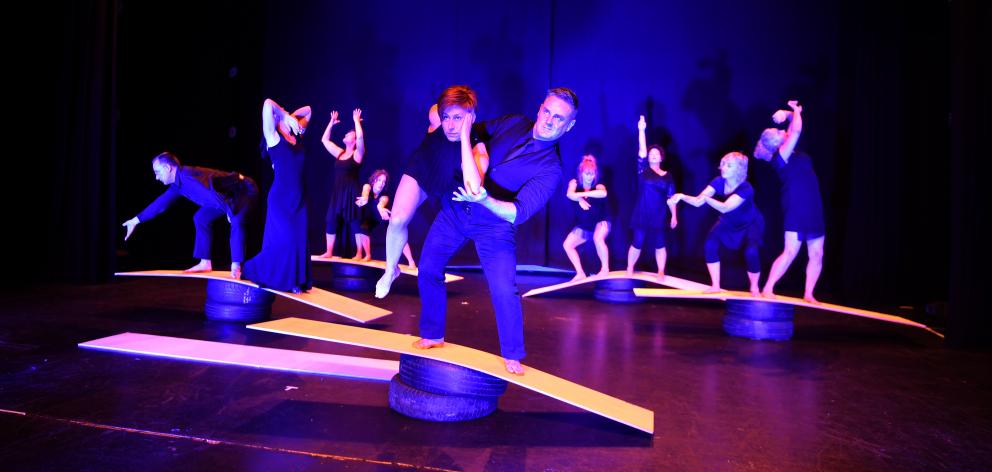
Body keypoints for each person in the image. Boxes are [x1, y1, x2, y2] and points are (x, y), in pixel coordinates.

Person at [413, 87, 579, 376]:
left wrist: (484, 199)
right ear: (540, 108)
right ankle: (433, 334)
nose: (550, 121)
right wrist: (465, 139)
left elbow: (518, 212)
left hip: (495, 226)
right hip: (457, 209)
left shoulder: (552, 169)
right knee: (427, 267)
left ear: (569, 125)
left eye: (559, 118)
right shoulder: (515, 122)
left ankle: (512, 354)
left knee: (504, 289)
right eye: (548, 112)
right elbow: (472, 127)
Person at [374, 85, 487, 298]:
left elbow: (473, 187)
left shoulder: (477, 149)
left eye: (458, 118)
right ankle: (391, 270)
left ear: (471, 117)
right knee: (397, 220)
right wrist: (451, 108)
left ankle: (394, 270)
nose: (450, 125)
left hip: (445, 181)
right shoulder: (437, 118)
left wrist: (465, 135)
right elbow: (440, 108)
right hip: (421, 168)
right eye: (447, 117)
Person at [122, 152, 258, 279]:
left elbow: (214, 193)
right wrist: (135, 220)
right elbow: (160, 204)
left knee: (236, 218)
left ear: (168, 168)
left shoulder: (188, 178)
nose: (156, 177)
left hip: (244, 189)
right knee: (201, 218)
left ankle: (236, 266)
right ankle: (205, 262)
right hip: (225, 195)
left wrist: (229, 211)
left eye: (157, 172)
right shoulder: (178, 184)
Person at [753, 100, 825, 303]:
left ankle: (809, 293)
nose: (784, 131)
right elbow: (796, 131)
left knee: (817, 252)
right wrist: (793, 111)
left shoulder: (796, 153)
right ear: (777, 143)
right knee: (791, 251)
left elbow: (794, 125)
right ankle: (768, 287)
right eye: (780, 132)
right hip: (796, 205)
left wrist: (788, 113)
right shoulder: (780, 157)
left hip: (814, 205)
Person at [241, 98, 312, 293]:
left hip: (300, 198)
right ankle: (262, 272)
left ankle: (296, 280)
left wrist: (290, 119)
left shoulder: (296, 135)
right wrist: (285, 115)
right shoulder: (273, 138)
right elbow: (266, 103)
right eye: (278, 117)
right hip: (280, 198)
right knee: (286, 238)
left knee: (298, 238)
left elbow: (308, 110)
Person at [670, 152, 764, 295]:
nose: (724, 168)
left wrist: (706, 199)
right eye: (723, 164)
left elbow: (725, 207)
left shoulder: (746, 188)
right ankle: (715, 285)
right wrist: (681, 196)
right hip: (729, 220)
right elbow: (698, 202)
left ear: (739, 169)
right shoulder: (718, 181)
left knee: (751, 252)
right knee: (710, 244)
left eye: (729, 165)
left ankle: (754, 287)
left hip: (749, 222)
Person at [626, 115, 678, 281]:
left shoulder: (668, 176)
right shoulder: (643, 171)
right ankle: (629, 267)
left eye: (657, 153)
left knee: (660, 243)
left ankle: (661, 271)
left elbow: (671, 197)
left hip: (659, 214)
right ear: (648, 157)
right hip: (642, 212)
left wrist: (674, 215)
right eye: (651, 153)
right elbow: (642, 149)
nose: (653, 154)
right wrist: (642, 130)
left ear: (661, 157)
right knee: (637, 242)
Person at [318, 108, 365, 258]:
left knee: (355, 221)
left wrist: (356, 122)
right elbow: (324, 140)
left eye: (349, 134)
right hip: (338, 191)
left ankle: (359, 252)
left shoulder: (358, 154)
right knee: (331, 219)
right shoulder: (340, 153)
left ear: (353, 139)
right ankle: (329, 251)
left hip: (352, 191)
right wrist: (331, 123)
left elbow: (361, 138)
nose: (345, 135)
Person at [351, 169, 416, 266]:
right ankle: (365, 254)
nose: (381, 183)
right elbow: (365, 192)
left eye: (384, 181)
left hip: (384, 217)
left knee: (398, 233)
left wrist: (380, 208)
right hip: (371, 218)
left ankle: (411, 261)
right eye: (379, 180)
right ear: (373, 181)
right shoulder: (367, 186)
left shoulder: (385, 196)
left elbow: (382, 203)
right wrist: (364, 198)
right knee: (360, 225)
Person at [563, 154, 610, 280]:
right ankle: (580, 273)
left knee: (598, 238)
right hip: (585, 224)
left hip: (601, 221)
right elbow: (569, 194)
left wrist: (581, 195)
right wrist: (579, 199)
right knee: (567, 245)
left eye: (592, 174)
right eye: (586, 173)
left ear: (595, 174)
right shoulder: (574, 183)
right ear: (581, 173)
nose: (589, 177)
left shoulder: (599, 185)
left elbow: (603, 193)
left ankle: (605, 269)